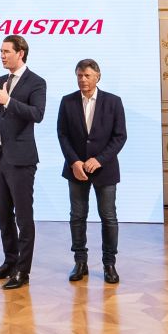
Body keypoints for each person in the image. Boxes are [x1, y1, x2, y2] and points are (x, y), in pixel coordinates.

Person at [0, 34, 47, 291]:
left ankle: (23, 271)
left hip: (21, 159)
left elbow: (37, 114)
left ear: (21, 53)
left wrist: (8, 100)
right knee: (3, 214)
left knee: (23, 217)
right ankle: (9, 261)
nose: (2, 55)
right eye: (1, 51)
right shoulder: (0, 79)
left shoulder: (36, 82)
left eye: (6, 51)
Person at [56, 58, 126, 284]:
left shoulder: (113, 102)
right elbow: (62, 135)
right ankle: (80, 262)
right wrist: (74, 162)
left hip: (104, 170)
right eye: (79, 75)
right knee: (77, 216)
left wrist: (100, 159)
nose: (82, 79)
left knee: (109, 217)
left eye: (87, 75)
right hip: (76, 170)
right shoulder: (67, 102)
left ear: (98, 76)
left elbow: (119, 136)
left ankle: (109, 264)